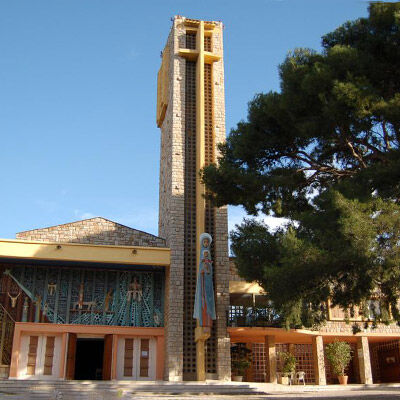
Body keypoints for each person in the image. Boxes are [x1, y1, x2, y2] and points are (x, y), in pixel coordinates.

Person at [193, 233, 216, 327]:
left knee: (208, 297)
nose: (206, 243)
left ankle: (208, 318)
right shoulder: (203, 254)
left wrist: (208, 265)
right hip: (203, 277)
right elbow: (202, 264)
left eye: (207, 242)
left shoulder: (208, 254)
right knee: (203, 297)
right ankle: (203, 320)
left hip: (208, 279)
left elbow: (208, 265)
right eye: (204, 242)